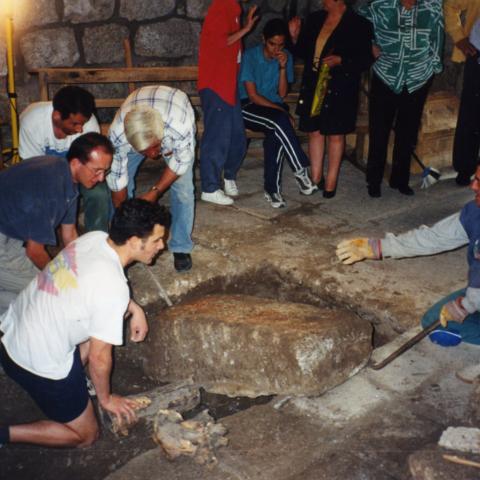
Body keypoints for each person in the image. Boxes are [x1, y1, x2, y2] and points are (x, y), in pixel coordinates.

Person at [0, 199, 169, 448]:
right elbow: (101, 359)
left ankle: (73, 385)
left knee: (106, 318)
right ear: (134, 241)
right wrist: (107, 398)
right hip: (33, 361)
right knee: (86, 436)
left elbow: (97, 287)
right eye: (156, 240)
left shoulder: (95, 238)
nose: (162, 246)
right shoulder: (112, 288)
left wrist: (134, 308)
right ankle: (4, 435)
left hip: (10, 330)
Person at [336, 164, 480, 351]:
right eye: (475, 178)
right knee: (433, 321)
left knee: (458, 314)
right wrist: (378, 247)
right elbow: (434, 237)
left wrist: (466, 305)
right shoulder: (475, 211)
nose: (472, 186)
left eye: (479, 182)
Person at [0, 132, 114, 314]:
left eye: (105, 171)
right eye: (97, 170)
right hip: (3, 239)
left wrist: (83, 269)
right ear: (76, 163)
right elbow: (35, 251)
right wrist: (62, 281)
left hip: (10, 231)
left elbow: (70, 235)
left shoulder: (66, 177)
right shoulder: (51, 187)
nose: (101, 178)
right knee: (44, 292)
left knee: (37, 291)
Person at [358, 0, 444, 198]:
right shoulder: (380, 6)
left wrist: (433, 67)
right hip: (385, 75)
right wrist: (370, 44)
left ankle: (400, 179)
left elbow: (437, 38)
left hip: (417, 78)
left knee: (408, 132)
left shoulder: (432, 8)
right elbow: (359, 21)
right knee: (379, 129)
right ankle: (374, 180)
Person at [289, 0, 373, 198]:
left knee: (336, 133)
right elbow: (303, 52)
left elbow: (365, 59)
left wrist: (341, 60)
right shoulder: (315, 19)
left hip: (340, 87)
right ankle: (316, 177)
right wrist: (294, 37)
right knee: (314, 131)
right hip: (314, 85)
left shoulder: (359, 24)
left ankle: (332, 179)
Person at [107, 85, 195, 273]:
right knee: (119, 195)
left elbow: (181, 162)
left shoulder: (179, 125)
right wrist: (128, 217)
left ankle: (180, 246)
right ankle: (119, 241)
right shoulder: (117, 137)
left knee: (184, 191)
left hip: (174, 107)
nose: (152, 155)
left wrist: (155, 192)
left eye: (155, 147)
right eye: (144, 152)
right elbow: (117, 182)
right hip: (135, 126)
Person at [239, 18, 317, 209]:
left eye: (281, 45)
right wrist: (281, 111)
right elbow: (253, 96)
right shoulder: (250, 56)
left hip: (273, 109)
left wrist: (282, 67)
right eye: (273, 44)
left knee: (277, 131)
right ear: (264, 39)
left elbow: (282, 94)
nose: (276, 49)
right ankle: (300, 168)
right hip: (247, 107)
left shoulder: (286, 56)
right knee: (281, 120)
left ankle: (272, 190)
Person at [19, 86, 111, 232]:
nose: (80, 129)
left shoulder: (89, 123)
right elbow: (32, 170)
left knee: (99, 193)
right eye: (74, 124)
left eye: (83, 123)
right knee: (33, 195)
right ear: (57, 116)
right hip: (43, 172)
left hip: (79, 171)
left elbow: (92, 164)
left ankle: (97, 237)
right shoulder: (32, 122)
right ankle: (35, 236)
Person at [197, 0, 258, 206]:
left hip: (227, 86)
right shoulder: (220, 7)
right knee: (216, 138)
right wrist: (246, 29)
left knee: (238, 136)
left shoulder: (232, 9)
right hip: (216, 85)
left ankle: (228, 176)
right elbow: (220, 42)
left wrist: (243, 27)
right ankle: (210, 188)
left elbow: (234, 54)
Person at [444, 0, 480, 186]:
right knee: (471, 115)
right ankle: (465, 169)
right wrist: (459, 38)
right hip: (477, 57)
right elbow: (451, 6)